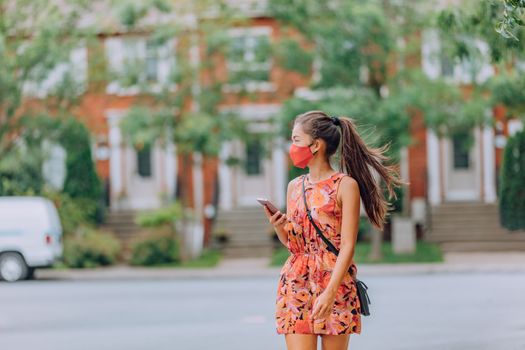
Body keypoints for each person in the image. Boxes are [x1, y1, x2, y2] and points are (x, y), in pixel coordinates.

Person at [262, 110, 403, 350]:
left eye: (296, 139)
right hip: (297, 282)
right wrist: (279, 227)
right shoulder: (294, 187)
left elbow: (348, 245)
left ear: (315, 145)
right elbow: (294, 245)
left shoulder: (345, 186)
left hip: (335, 283)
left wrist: (329, 292)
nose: (292, 146)